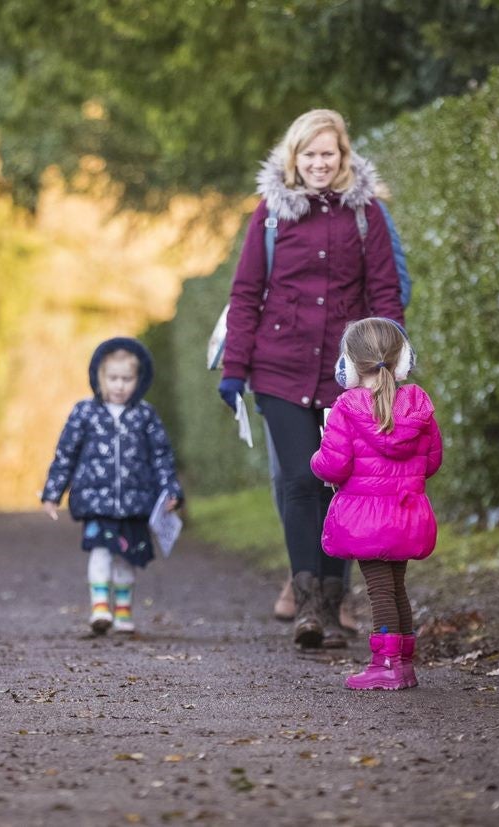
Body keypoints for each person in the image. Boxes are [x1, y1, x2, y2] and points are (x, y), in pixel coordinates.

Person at [217, 108, 405, 650]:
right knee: (299, 481)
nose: (319, 163)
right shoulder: (270, 216)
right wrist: (235, 370)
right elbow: (246, 295)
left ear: (343, 158)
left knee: (339, 483)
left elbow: (385, 294)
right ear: (293, 158)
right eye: (309, 154)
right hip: (278, 368)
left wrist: (386, 363)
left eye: (329, 154)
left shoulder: (364, 214)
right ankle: (306, 608)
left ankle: (331, 598)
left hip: (345, 375)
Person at [310, 318, 442, 690]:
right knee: (396, 586)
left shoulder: (346, 407)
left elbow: (334, 465)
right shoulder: (419, 406)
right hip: (407, 514)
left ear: (348, 365)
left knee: (379, 590)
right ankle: (403, 664)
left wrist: (315, 459)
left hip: (366, 521)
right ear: (403, 360)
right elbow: (432, 462)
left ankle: (384, 664)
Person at [42, 337, 183, 635]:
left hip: (135, 504)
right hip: (97, 503)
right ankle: (100, 606)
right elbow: (66, 453)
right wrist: (53, 493)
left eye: (127, 379)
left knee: (127, 558)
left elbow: (161, 456)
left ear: (139, 380)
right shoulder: (85, 413)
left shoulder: (145, 415)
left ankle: (123, 609)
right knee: (100, 552)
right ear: (99, 377)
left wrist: (170, 491)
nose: (119, 385)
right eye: (113, 378)